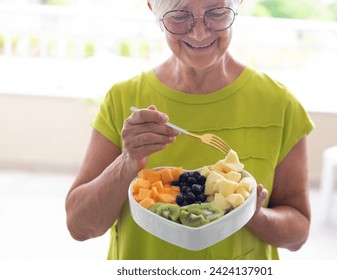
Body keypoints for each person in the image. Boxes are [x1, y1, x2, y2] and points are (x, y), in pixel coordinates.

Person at [65, 0, 314, 260]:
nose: (199, 32)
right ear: (154, 10)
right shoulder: (123, 99)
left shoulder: (279, 104)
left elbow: (297, 235)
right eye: (180, 15)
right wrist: (127, 162)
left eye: (216, 13)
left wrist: (247, 211)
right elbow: (80, 227)